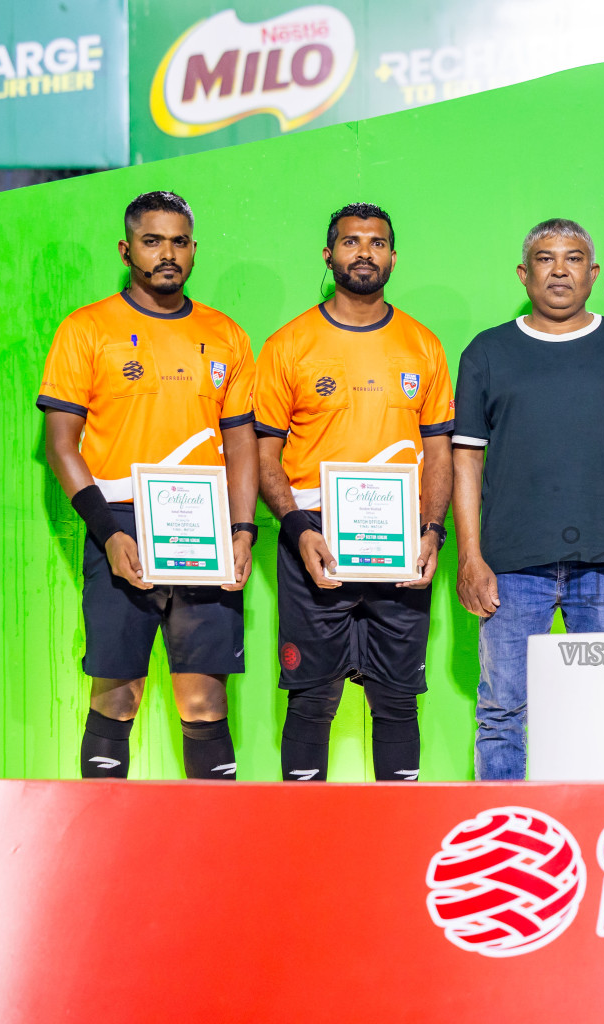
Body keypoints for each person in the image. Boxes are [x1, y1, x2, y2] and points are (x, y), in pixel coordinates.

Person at [37, 190, 257, 780]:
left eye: (179, 241)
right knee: (117, 697)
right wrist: (107, 534)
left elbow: (240, 444)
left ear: (193, 249)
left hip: (204, 531)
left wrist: (241, 531)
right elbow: (62, 445)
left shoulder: (227, 335)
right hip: (122, 527)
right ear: (126, 248)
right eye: (152, 241)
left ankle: (212, 856)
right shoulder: (86, 329)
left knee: (204, 702)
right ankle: (105, 856)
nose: (167, 253)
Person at [453, 218, 604, 780]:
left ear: (593, 274)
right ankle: (503, 834)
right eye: (545, 259)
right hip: (511, 567)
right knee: (503, 710)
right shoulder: (487, 351)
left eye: (572, 258)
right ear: (524, 274)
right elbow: (466, 460)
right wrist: (471, 557)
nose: (559, 269)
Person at [254, 203, 453, 782]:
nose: (364, 252)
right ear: (328, 254)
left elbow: (439, 452)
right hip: (313, 538)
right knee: (312, 700)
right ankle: (299, 842)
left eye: (377, 242)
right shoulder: (289, 344)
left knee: (396, 700)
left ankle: (397, 846)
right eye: (350, 242)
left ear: (393, 256)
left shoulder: (423, 345)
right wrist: (298, 529)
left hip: (401, 544)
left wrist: (432, 532)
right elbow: (265, 455)